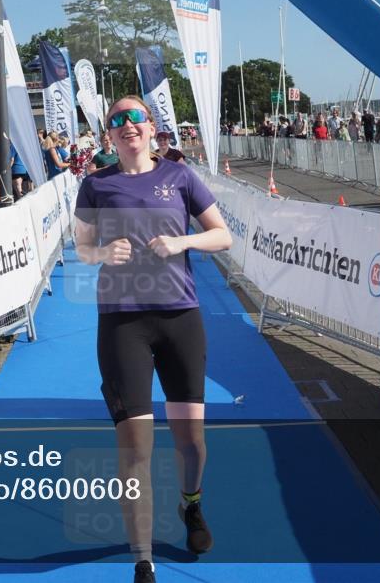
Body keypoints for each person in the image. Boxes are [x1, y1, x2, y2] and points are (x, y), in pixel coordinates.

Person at [74, 96, 231, 583]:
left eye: (134, 117)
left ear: (151, 126)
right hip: (122, 324)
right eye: (116, 121)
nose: (127, 126)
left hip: (180, 320)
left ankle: (192, 504)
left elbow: (222, 235)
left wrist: (183, 242)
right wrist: (102, 251)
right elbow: (80, 248)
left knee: (192, 443)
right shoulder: (95, 184)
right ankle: (143, 560)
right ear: (108, 136)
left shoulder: (180, 178)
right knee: (136, 448)